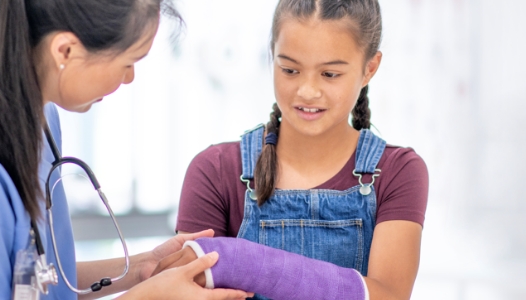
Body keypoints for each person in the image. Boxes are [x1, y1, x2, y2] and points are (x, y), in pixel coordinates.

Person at [0, 0, 250, 299]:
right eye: (128, 62)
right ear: (64, 51)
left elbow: (37, 281)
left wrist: (145, 269)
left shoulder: (39, 120)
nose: (130, 79)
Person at [169, 0, 429, 299]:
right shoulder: (214, 170)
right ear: (272, 58)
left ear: (369, 68)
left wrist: (240, 261)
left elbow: (388, 296)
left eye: (330, 74)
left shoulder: (397, 170)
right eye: (290, 70)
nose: (307, 90)